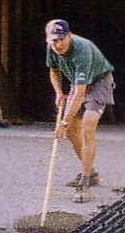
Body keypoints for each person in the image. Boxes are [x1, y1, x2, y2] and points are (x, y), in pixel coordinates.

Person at [45, 18, 115, 203]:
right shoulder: (52, 47)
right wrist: (58, 92)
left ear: (69, 35)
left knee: (87, 127)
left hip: (99, 82)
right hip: (78, 85)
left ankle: (84, 183)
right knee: (71, 132)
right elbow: (53, 71)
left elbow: (79, 92)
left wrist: (64, 121)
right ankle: (91, 172)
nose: (58, 44)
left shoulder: (82, 50)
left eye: (61, 39)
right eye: (54, 40)